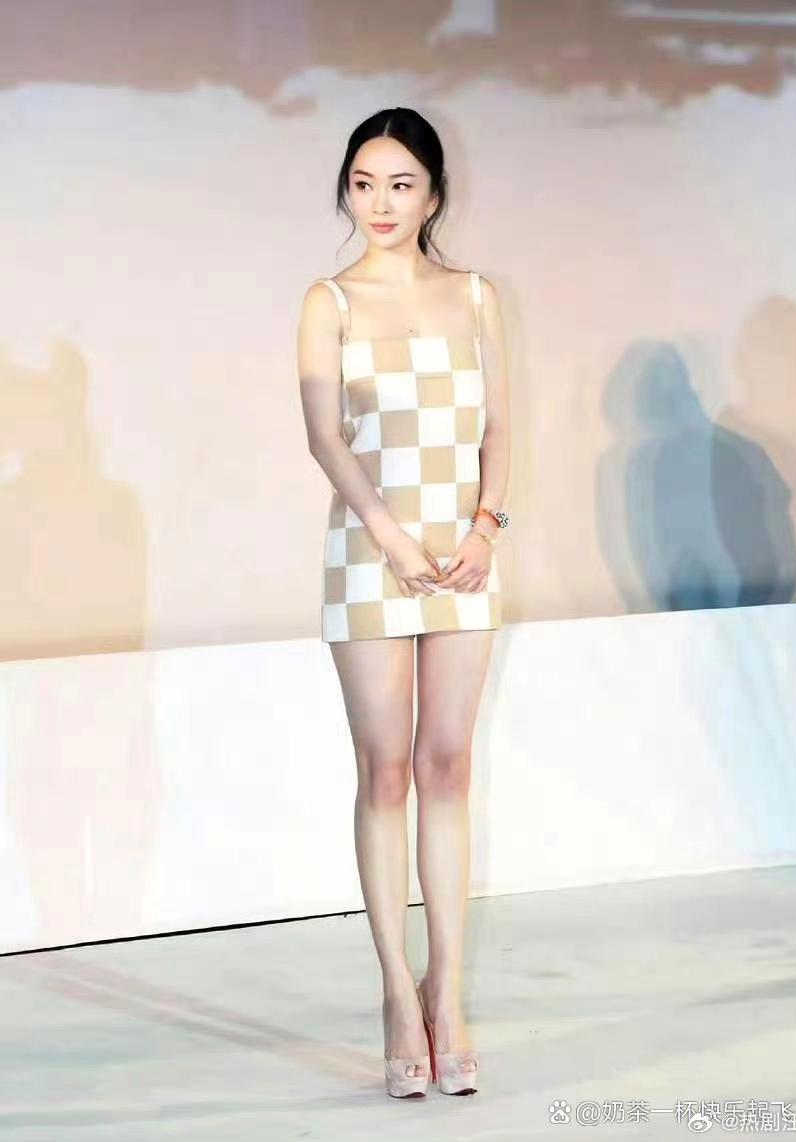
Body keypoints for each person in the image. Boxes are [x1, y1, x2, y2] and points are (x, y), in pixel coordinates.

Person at [297, 107, 511, 1098]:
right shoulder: (329, 301)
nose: (379, 203)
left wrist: (484, 531)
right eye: (363, 183)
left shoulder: (476, 296)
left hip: (463, 559)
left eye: (400, 184)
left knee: (449, 763)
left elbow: (499, 427)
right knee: (385, 769)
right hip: (369, 553)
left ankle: (448, 990)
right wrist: (388, 534)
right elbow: (325, 437)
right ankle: (395, 988)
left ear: (433, 193)